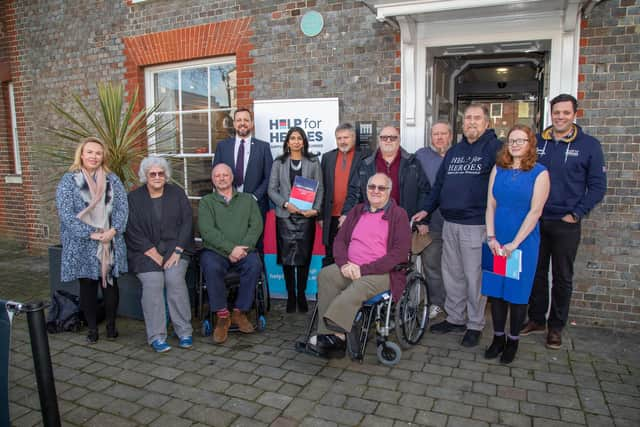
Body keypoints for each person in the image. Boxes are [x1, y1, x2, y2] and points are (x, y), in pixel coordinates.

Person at [522, 94, 607, 349]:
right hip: (536, 220)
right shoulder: (537, 142)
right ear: (550, 113)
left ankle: (555, 327)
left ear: (574, 115)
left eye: (565, 113)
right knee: (536, 273)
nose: (560, 117)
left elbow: (597, 186)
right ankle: (537, 319)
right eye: (556, 112)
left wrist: (576, 213)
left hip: (566, 222)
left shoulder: (589, 145)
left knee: (562, 276)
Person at [424, 104, 502, 347]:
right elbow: (438, 186)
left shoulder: (495, 148)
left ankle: (475, 324)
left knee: (473, 278)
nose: (471, 122)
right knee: (453, 275)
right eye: (467, 118)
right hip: (450, 223)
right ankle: (456, 318)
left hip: (475, 225)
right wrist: (426, 210)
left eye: (477, 118)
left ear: (486, 123)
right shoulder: (455, 150)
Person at [312, 173, 411, 358]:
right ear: (366, 189)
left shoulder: (399, 215)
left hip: (381, 272)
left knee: (359, 287)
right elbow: (340, 240)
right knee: (326, 275)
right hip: (350, 265)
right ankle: (333, 336)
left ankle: (335, 332)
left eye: (381, 188)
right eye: (372, 187)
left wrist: (363, 269)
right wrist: (343, 265)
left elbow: (399, 253)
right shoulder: (358, 210)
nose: (376, 191)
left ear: (389, 191)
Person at [483, 125, 550, 364]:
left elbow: (535, 212)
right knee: (498, 292)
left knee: (517, 294)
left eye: (521, 140)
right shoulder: (498, 169)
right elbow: (490, 204)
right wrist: (492, 237)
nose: (515, 144)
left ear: (530, 143)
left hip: (521, 243)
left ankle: (513, 341)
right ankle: (498, 338)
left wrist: (514, 244)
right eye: (512, 140)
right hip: (497, 242)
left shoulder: (539, 173)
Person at [55, 137, 128, 344]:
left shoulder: (112, 180)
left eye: (98, 153)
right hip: (83, 242)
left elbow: (123, 207)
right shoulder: (69, 180)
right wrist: (91, 233)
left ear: (103, 156)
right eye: (90, 152)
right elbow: (65, 213)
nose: (94, 156)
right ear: (81, 154)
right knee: (87, 285)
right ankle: (92, 329)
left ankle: (112, 327)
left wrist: (114, 230)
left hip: (110, 241)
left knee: (110, 284)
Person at [125, 156, 194, 353]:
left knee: (174, 279)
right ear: (145, 176)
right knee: (153, 283)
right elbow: (131, 229)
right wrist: (153, 253)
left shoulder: (177, 193)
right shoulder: (134, 198)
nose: (157, 177)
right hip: (144, 251)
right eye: (152, 174)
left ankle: (184, 331)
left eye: (160, 173)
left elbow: (187, 222)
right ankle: (157, 336)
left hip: (176, 249)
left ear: (166, 175)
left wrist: (178, 251)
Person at [199, 163, 264, 344]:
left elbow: (256, 226)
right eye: (217, 176)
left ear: (232, 178)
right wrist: (230, 249)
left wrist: (243, 248)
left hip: (244, 250)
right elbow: (207, 231)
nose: (221, 178)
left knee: (254, 264)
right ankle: (222, 316)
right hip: (216, 251)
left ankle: (239, 312)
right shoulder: (206, 202)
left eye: (225, 175)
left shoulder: (247, 200)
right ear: (213, 180)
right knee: (211, 266)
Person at [268, 126, 323, 313]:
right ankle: (291, 295)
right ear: (287, 142)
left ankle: (301, 295)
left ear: (304, 141)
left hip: (306, 217)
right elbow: (271, 190)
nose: (296, 141)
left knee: (304, 258)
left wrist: (315, 210)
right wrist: (285, 204)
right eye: (292, 138)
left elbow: (320, 189)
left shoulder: (314, 162)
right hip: (285, 217)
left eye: (299, 138)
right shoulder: (279, 162)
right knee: (287, 259)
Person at [342, 125, 430, 227]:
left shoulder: (413, 164)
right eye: (384, 138)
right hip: (373, 223)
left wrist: (423, 220)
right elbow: (354, 193)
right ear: (379, 140)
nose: (388, 140)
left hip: (404, 223)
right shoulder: (365, 165)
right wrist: (346, 214)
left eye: (393, 138)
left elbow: (425, 192)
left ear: (399, 140)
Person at [415, 121, 452, 319]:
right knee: (432, 266)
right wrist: (422, 220)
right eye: (435, 134)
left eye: (443, 134)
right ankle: (437, 303)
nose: (439, 137)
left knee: (457, 268)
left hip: (457, 224)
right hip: (431, 224)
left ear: (451, 136)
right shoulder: (421, 156)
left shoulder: (458, 156)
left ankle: (456, 305)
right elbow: (416, 188)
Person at [213, 108, 273, 218]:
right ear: (234, 124)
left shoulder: (263, 147)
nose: (242, 123)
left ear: (251, 124)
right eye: (239, 120)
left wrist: (255, 197)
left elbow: (269, 177)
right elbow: (215, 175)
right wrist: (225, 196)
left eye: (246, 120)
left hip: (256, 205)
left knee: (255, 235)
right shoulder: (222, 146)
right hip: (228, 204)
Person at [320, 123, 364, 266]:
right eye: (339, 138)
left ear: (353, 138)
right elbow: (322, 187)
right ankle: (329, 287)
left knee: (352, 255)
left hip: (354, 215)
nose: (342, 141)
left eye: (346, 137)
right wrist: (320, 216)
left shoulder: (364, 157)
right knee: (331, 255)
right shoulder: (327, 158)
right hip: (331, 216)